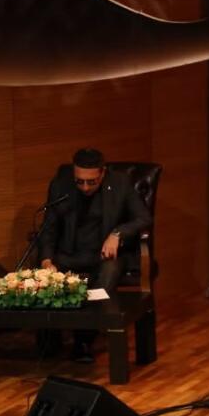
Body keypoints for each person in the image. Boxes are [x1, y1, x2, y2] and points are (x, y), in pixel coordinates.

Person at [39, 147, 152, 362]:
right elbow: (49, 228)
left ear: (103, 173)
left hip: (104, 255)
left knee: (106, 276)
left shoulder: (120, 183)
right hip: (70, 254)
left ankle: (83, 340)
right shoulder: (60, 185)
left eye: (91, 182)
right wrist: (46, 260)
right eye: (79, 181)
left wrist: (117, 234)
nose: (85, 187)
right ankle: (50, 342)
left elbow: (143, 217)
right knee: (46, 277)